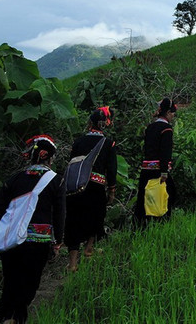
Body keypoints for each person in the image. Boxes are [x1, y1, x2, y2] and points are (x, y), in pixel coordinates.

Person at [0, 135, 66, 324]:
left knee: (10, 283)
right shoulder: (57, 181)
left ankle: (5, 317)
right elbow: (59, 214)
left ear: (31, 156)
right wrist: (57, 242)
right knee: (29, 284)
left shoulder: (14, 179)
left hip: (11, 240)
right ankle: (18, 318)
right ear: (50, 158)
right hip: (38, 243)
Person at [64, 107, 117, 272]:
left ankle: (72, 263)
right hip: (96, 186)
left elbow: (72, 162)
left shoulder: (79, 141)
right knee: (95, 217)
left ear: (91, 123)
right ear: (105, 124)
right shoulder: (108, 143)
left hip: (77, 186)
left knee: (73, 221)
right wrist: (112, 189)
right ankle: (88, 248)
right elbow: (112, 168)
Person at [134, 97, 177, 226]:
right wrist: (164, 171)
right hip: (158, 170)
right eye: (173, 113)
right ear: (168, 113)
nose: (173, 116)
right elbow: (165, 152)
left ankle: (140, 225)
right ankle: (162, 222)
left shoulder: (150, 127)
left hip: (146, 168)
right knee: (169, 195)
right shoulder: (167, 129)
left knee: (144, 197)